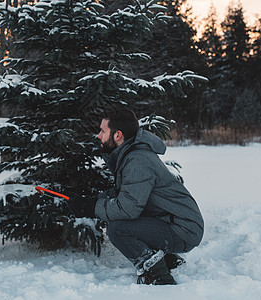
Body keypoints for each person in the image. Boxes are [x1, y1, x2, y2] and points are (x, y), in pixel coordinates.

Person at [67, 109, 204, 285]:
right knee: (123, 222)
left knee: (118, 229)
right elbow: (125, 194)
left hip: (184, 229)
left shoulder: (137, 160)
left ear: (117, 135)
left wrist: (92, 208)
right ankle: (171, 262)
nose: (98, 135)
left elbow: (127, 208)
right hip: (174, 221)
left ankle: (160, 277)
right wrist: (90, 201)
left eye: (102, 131)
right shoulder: (130, 155)